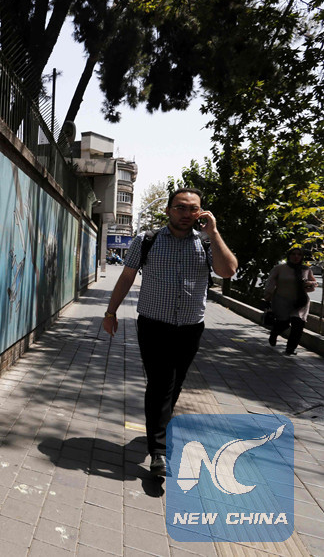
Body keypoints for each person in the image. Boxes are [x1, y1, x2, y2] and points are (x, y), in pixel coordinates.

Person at [101, 188, 238, 478]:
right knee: (161, 383)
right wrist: (111, 313)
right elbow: (126, 276)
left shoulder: (206, 242)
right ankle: (159, 452)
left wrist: (214, 233)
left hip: (190, 327)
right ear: (168, 210)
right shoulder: (146, 240)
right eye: (180, 207)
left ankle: (158, 428)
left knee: (174, 384)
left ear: (201, 212)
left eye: (193, 209)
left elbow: (228, 271)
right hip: (154, 325)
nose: (187, 214)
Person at [264, 247, 317, 356]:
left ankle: (290, 349)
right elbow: (270, 282)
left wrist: (309, 283)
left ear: (302, 257)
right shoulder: (280, 268)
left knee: (298, 325)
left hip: (300, 302)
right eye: (293, 254)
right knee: (283, 323)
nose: (296, 256)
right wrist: (268, 295)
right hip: (282, 300)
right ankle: (274, 333)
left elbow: (314, 283)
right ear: (289, 256)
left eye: (299, 254)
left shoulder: (306, 270)